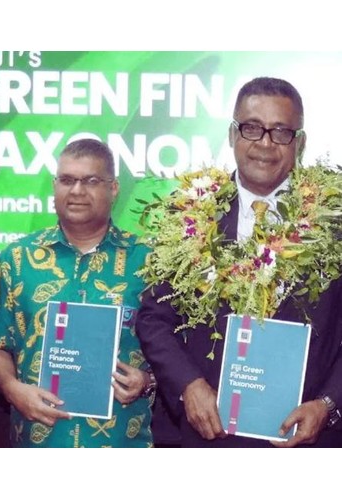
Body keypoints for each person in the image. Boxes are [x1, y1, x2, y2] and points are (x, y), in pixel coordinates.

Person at [136, 76, 342, 447]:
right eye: (252, 128)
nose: (265, 143)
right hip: (207, 437)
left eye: (281, 132)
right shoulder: (188, 215)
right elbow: (154, 319)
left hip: (307, 441)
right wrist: (187, 385)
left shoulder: (334, 219)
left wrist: (328, 404)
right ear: (233, 134)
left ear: (300, 142)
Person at [0, 138, 154, 447]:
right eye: (67, 180)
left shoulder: (149, 262)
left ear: (114, 188)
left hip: (122, 440)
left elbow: (177, 351)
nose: (77, 191)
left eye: (91, 181)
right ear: (54, 186)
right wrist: (11, 388)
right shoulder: (16, 259)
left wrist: (147, 380)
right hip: (39, 441)